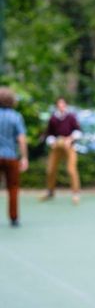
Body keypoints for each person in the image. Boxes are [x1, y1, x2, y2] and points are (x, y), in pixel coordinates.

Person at [40, 97, 82, 204]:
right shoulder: (53, 119)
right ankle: (50, 191)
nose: (61, 106)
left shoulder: (71, 117)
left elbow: (78, 131)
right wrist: (52, 142)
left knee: (71, 170)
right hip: (57, 146)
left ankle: (76, 193)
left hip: (69, 146)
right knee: (50, 169)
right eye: (59, 104)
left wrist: (70, 139)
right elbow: (49, 133)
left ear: (66, 105)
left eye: (63, 104)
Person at [0, 87, 29, 227]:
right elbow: (21, 139)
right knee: (13, 188)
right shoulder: (16, 116)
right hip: (11, 156)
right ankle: (13, 217)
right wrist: (24, 157)